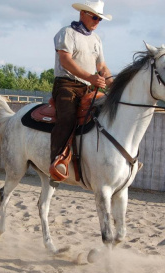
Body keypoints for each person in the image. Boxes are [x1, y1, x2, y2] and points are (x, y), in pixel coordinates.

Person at [50, 0, 114, 181]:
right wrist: (91, 78)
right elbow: (65, 61)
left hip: (87, 87)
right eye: (95, 17)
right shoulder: (66, 33)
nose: (97, 22)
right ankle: (57, 161)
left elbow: (102, 67)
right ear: (83, 14)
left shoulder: (96, 40)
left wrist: (114, 86)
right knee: (67, 118)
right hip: (66, 85)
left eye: (99, 19)